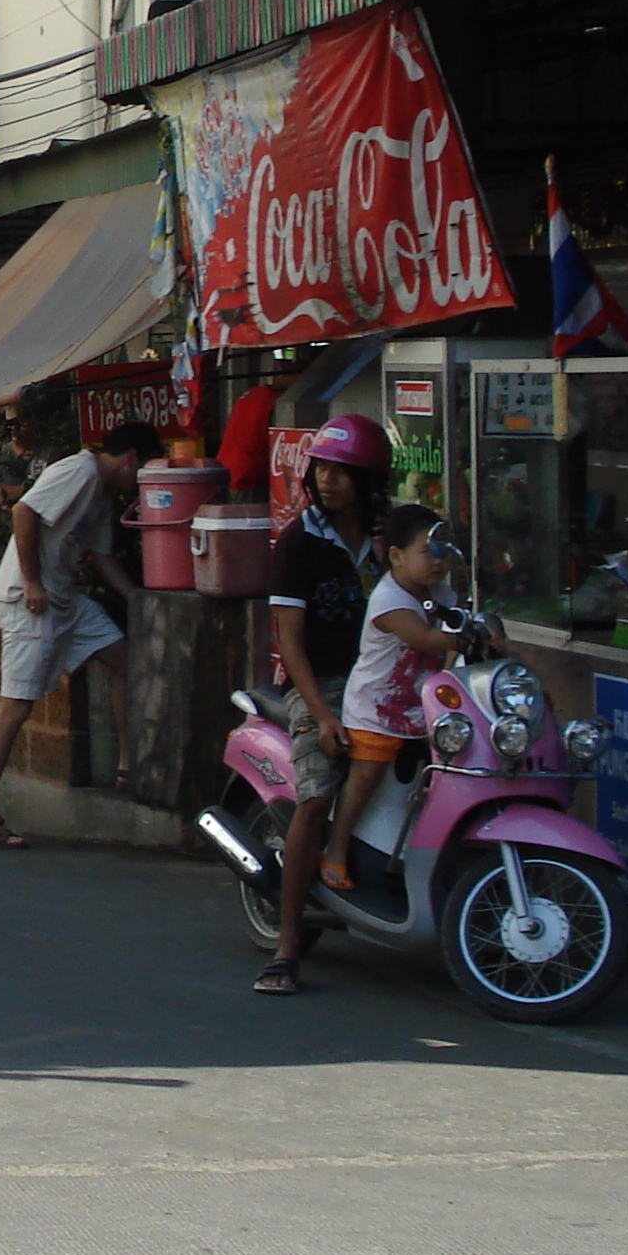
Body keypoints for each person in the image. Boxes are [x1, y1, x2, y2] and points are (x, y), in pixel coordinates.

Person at [0, 421, 159, 848]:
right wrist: (33, 582)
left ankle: (126, 766)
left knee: (124, 660)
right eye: (142, 469)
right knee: (16, 703)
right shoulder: (80, 471)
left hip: (66, 599)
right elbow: (23, 512)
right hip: (31, 600)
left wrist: (137, 598)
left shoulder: (103, 496)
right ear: (130, 459)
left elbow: (102, 554)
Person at [252, 413, 392, 995]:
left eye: (345, 471)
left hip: (388, 680)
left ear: (369, 479)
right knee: (315, 796)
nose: (330, 480)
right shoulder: (300, 542)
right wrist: (325, 715)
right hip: (324, 684)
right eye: (323, 469)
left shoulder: (393, 536)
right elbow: (290, 642)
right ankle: (287, 946)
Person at [322, 506, 461, 891]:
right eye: (428, 551)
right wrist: (468, 635)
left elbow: (461, 617)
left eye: (444, 552)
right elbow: (427, 638)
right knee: (365, 777)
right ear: (396, 556)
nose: (439, 562)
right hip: (376, 709)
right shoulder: (389, 598)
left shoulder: (440, 591)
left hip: (421, 708)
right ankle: (336, 847)